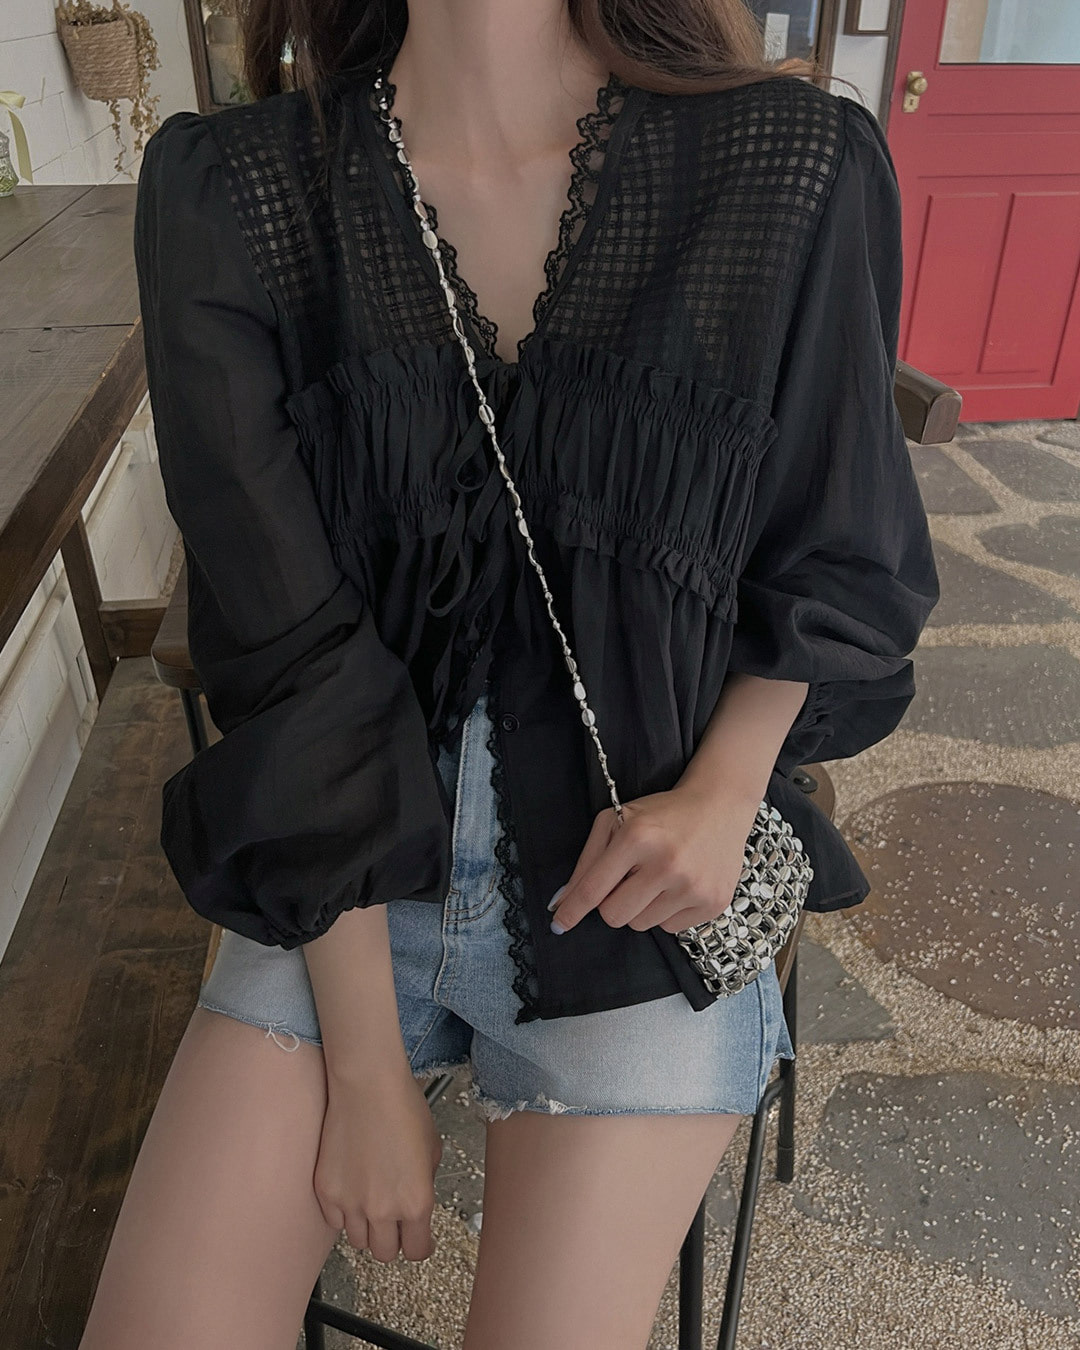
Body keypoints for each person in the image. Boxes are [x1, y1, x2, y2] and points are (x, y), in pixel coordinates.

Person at [81, 1, 939, 1347]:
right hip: (342, 889)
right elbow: (281, 646)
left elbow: (844, 552)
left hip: (635, 902)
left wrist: (725, 792)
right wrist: (366, 1069)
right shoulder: (236, 193)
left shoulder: (788, 163)